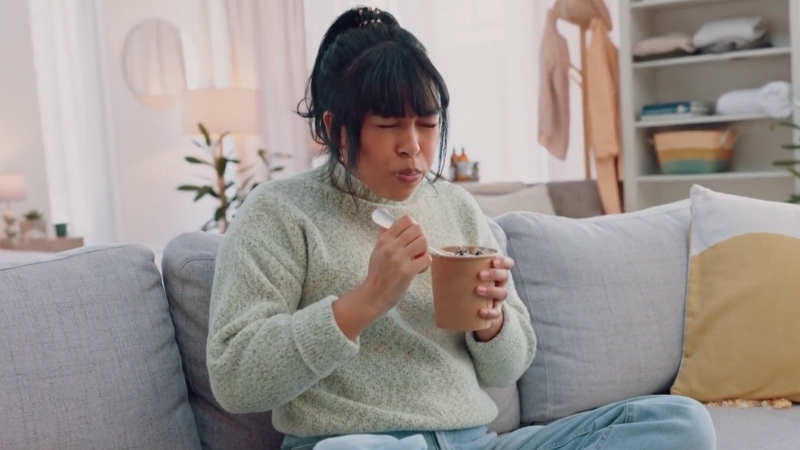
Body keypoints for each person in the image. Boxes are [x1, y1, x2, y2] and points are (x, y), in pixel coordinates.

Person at [207, 6, 716, 450]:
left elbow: (506, 369)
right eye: (389, 126)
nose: (414, 146)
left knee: (680, 423)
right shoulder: (278, 212)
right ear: (337, 127)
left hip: (474, 441)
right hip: (357, 443)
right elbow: (235, 378)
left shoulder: (455, 206)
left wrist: (491, 323)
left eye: (428, 125)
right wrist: (365, 299)